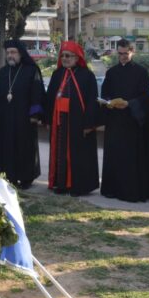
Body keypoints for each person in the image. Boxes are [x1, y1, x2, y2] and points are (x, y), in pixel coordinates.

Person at [99, 39, 149, 202]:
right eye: (120, 54)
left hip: (132, 122)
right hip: (115, 121)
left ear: (132, 52)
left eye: (126, 54)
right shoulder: (111, 72)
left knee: (130, 158)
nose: (122, 57)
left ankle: (130, 192)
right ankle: (112, 189)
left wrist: (129, 104)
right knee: (114, 156)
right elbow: (105, 93)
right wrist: (108, 102)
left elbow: (145, 97)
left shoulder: (141, 72)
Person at [44, 41, 99, 195]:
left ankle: (77, 185)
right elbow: (49, 98)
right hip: (59, 121)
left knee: (77, 154)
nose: (65, 59)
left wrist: (89, 124)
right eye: (62, 56)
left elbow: (92, 101)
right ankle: (60, 184)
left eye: (68, 56)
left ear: (77, 58)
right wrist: (48, 119)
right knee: (60, 153)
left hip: (78, 122)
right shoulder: (57, 74)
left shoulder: (87, 76)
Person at [0, 39, 45, 189]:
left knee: (24, 146)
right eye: (8, 53)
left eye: (13, 52)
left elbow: (37, 92)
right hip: (6, 117)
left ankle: (26, 177)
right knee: (7, 145)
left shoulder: (31, 70)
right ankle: (8, 175)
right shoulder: (3, 72)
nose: (10, 56)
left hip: (24, 117)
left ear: (21, 54)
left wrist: (35, 114)